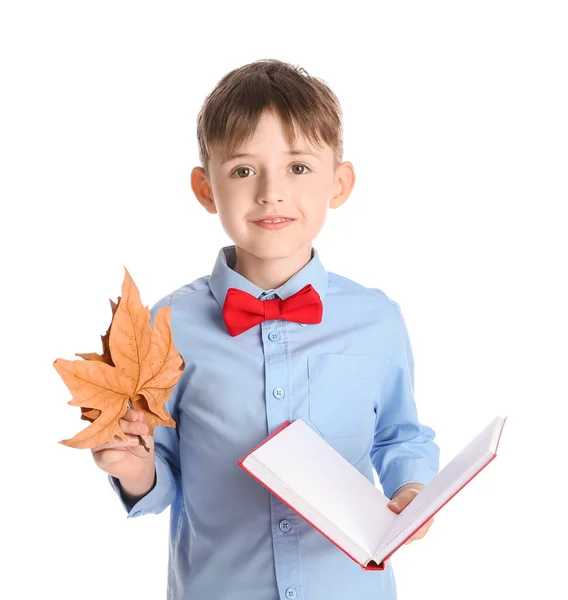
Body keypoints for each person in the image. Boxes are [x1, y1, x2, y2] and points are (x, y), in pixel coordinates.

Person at [91, 58, 440, 600]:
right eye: (243, 170)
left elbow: (400, 435)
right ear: (205, 189)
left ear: (340, 183)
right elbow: (159, 472)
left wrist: (412, 489)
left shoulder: (376, 320)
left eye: (298, 167)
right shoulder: (164, 325)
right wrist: (134, 468)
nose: (271, 191)